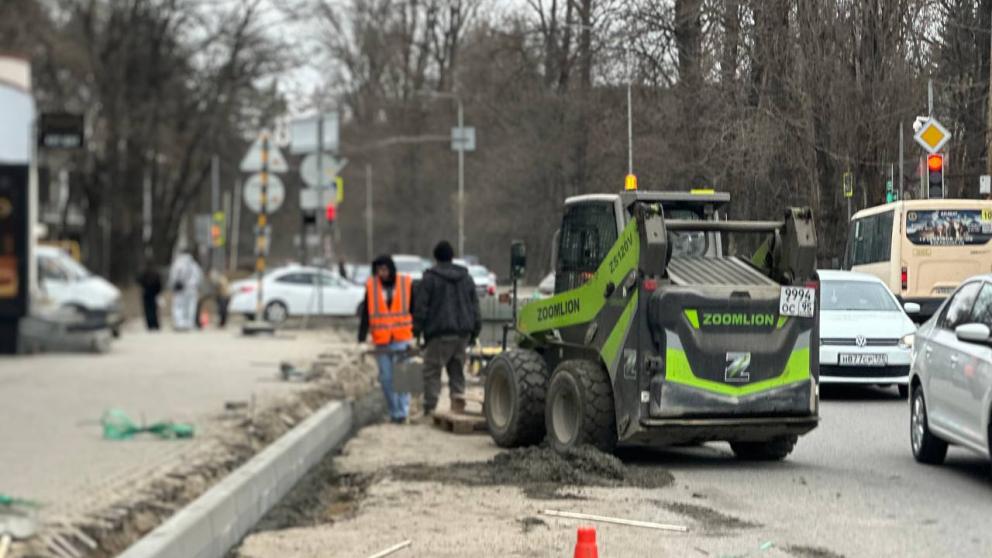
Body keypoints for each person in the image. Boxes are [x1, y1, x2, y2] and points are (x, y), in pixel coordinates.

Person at [414, 240, 481, 417]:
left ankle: (430, 408)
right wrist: (474, 332)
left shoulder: (429, 279)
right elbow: (475, 307)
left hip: (439, 334)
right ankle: (457, 406)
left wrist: (416, 332)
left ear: (435, 257)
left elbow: (421, 308)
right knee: (457, 371)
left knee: (432, 372)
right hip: (462, 334)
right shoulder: (466, 278)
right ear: (452, 256)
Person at [358, 255, 414, 424]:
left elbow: (414, 308)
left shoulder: (406, 283)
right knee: (386, 378)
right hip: (381, 339)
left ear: (390, 268)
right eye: (378, 270)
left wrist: (418, 333)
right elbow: (366, 313)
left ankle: (403, 411)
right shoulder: (372, 286)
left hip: (402, 337)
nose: (381, 273)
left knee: (403, 376)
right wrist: (361, 337)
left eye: (384, 269)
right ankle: (394, 412)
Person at [168, 250, 203, 331]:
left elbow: (173, 277)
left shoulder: (177, 264)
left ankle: (179, 323)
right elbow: (199, 277)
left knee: (178, 306)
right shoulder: (194, 265)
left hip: (180, 289)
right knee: (191, 306)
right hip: (192, 289)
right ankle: (189, 323)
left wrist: (172, 286)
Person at [137, 263, 162, 331]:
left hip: (149, 294)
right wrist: (158, 291)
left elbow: (139, 281)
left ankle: (151, 324)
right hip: (151, 294)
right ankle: (154, 324)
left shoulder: (145, 274)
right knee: (152, 310)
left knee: (150, 310)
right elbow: (159, 284)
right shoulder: (153, 274)